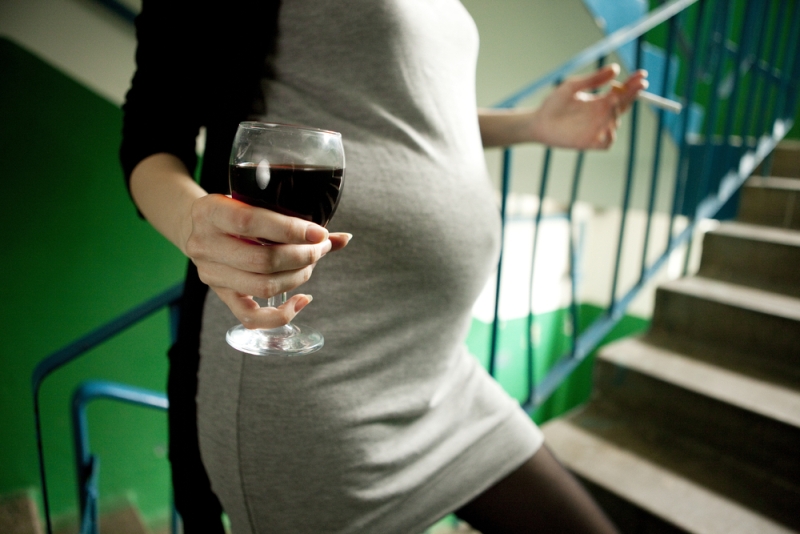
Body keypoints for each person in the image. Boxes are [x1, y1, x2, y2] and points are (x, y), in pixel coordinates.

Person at [120, 1, 647, 532]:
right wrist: (194, 223)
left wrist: (532, 123)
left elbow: (408, 115)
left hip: (442, 372)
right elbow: (151, 135)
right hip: (319, 380)